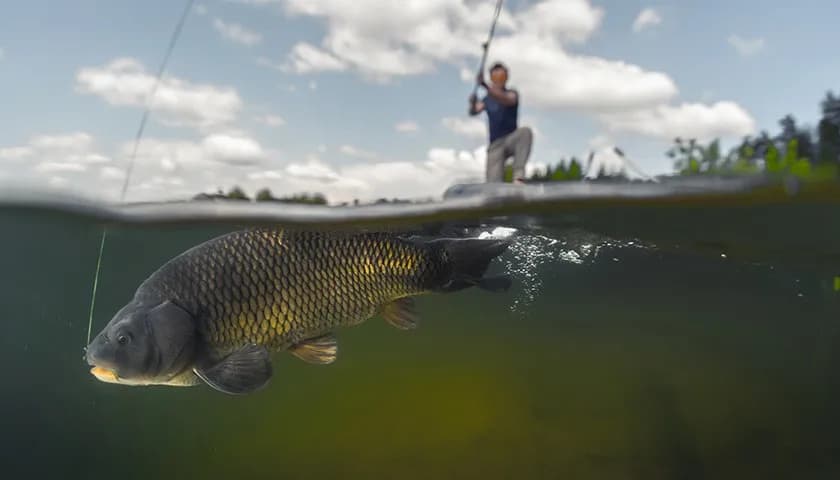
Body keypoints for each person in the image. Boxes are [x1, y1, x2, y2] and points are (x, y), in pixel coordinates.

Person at [469, 62, 533, 184]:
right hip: (495, 145)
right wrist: (472, 103)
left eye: (502, 77)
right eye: (496, 77)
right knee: (493, 184)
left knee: (525, 132)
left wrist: (485, 86)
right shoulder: (486, 99)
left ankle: (518, 177)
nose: (499, 80)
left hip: (511, 139)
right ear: (492, 78)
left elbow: (508, 100)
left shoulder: (512, 93)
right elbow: (473, 111)